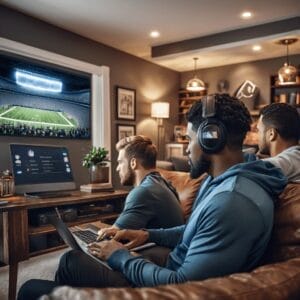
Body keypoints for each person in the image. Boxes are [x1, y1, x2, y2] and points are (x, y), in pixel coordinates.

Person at [18, 94, 287, 300]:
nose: (187, 148)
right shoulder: (221, 181)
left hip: (170, 287)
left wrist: (121, 257)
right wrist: (148, 235)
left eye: (189, 138)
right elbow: (193, 231)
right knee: (73, 262)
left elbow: (183, 285)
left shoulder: (232, 201)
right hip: (172, 266)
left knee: (37, 284)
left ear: (211, 138)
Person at [100, 135, 184, 237]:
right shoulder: (165, 184)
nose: (117, 168)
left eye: (120, 162)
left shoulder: (143, 192)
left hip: (159, 251)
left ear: (133, 163)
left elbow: (112, 235)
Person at [256, 103, 300, 183]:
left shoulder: (292, 160)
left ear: (271, 134)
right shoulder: (295, 158)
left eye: (259, 130)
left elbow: (251, 170)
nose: (257, 135)